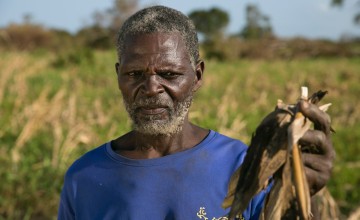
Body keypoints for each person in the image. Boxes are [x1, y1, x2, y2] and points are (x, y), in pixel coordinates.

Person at [58, 5, 335, 220]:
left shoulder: (245, 168)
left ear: (197, 75)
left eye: (169, 74)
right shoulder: (85, 177)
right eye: (135, 74)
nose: (152, 88)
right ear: (119, 76)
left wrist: (303, 196)